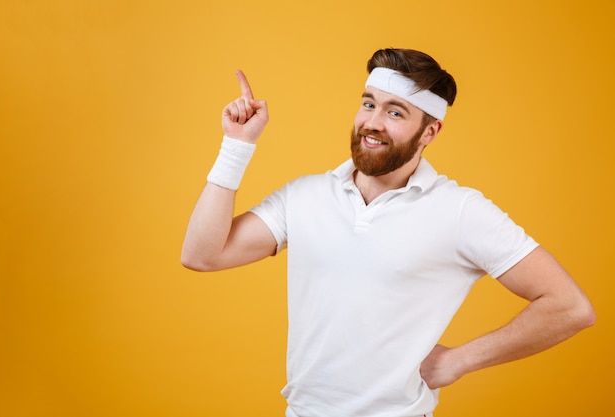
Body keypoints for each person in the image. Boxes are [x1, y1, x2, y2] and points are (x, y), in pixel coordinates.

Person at [181, 48, 595, 417]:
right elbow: (202, 255)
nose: (372, 123)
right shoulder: (305, 196)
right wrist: (236, 147)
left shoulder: (460, 211)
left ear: (429, 132)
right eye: (368, 104)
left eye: (395, 112)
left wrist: (459, 361)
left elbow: (569, 306)